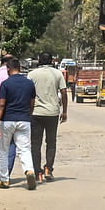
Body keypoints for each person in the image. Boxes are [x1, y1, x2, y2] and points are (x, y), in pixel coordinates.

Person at [0, 57, 38, 190]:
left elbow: (1, 105)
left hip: (7, 120)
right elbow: (32, 102)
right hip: (24, 120)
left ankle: (4, 180)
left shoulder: (5, 84)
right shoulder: (29, 83)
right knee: (24, 149)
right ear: (20, 69)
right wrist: (28, 114)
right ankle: (29, 170)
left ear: (8, 69)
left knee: (3, 150)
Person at [27, 51, 68, 182]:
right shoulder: (57, 74)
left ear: (39, 60)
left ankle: (37, 172)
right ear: (51, 61)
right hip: (52, 113)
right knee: (51, 142)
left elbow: (28, 93)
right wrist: (65, 111)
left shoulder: (32, 74)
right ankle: (48, 169)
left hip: (36, 113)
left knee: (35, 144)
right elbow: (64, 92)